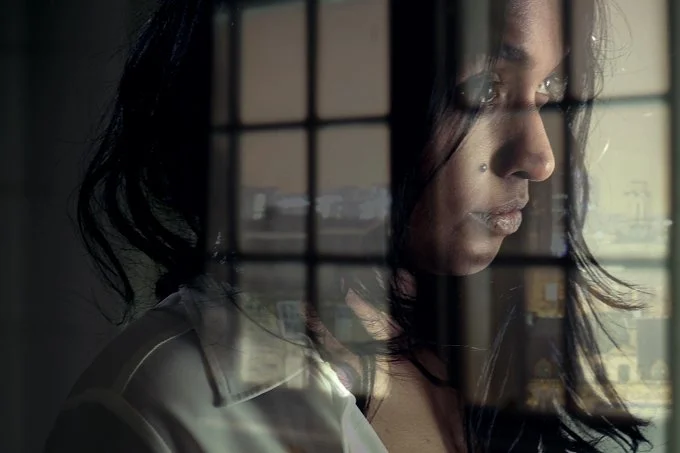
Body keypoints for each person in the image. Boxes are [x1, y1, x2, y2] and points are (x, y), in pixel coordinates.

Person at [45, 0, 651, 452]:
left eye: (548, 87)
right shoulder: (155, 409)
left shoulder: (499, 362)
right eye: (483, 87)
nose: (539, 158)